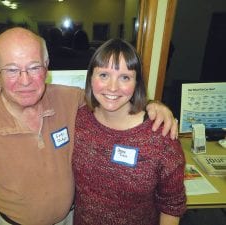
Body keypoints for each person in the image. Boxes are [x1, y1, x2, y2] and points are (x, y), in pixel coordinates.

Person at [0, 27, 178, 225]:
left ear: (46, 67)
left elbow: (111, 97)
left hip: (71, 219)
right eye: (12, 70)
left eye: (34, 67)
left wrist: (153, 105)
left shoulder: (71, 101)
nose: (24, 81)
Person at [72, 38, 186, 225]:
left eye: (125, 77)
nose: (112, 87)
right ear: (90, 77)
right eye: (103, 75)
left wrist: (155, 104)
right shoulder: (78, 119)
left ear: (136, 83)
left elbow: (172, 205)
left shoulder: (160, 136)